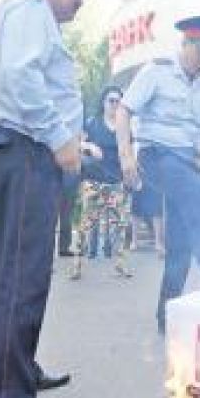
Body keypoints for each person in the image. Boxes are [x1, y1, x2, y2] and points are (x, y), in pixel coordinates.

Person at [0, 0, 103, 398]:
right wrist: (58, 138)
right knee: (17, 281)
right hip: (26, 152)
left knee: (29, 277)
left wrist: (70, 142)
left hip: (33, 156)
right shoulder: (29, 11)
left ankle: (20, 372)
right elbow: (21, 79)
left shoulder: (42, 22)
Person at [116, 15, 200, 335]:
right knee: (197, 197)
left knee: (180, 246)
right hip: (156, 155)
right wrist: (126, 156)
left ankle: (166, 313)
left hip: (187, 163)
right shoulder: (156, 71)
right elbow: (124, 111)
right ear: (186, 44)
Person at [70, 86, 133, 278]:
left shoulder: (126, 126)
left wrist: (132, 172)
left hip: (117, 183)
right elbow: (75, 143)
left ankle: (122, 264)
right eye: (111, 101)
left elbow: (131, 151)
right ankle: (76, 264)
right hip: (92, 182)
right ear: (103, 103)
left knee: (124, 225)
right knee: (81, 225)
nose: (115, 105)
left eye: (118, 101)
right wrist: (88, 146)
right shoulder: (92, 123)